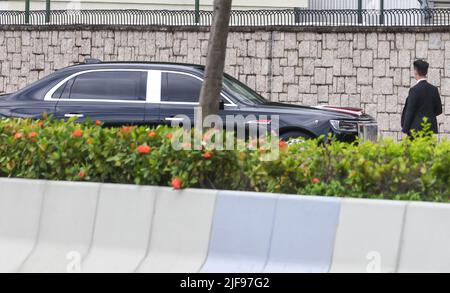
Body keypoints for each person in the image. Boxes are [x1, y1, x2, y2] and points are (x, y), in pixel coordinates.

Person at [401, 60, 443, 137]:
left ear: (416, 72)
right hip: (429, 129)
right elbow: (439, 110)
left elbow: (410, 111)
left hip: (415, 130)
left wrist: (405, 129)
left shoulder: (414, 90)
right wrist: (428, 115)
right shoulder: (434, 89)